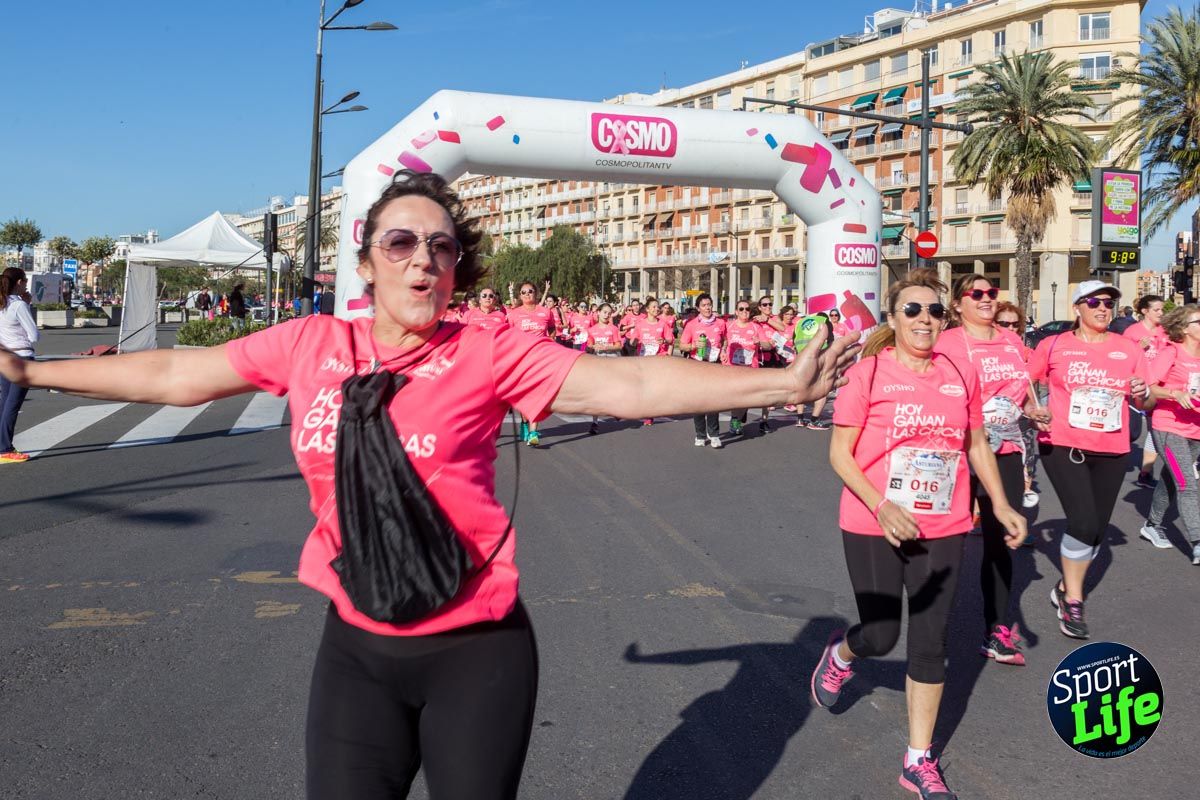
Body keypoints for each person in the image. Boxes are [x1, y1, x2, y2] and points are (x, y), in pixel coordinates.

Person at [0, 169, 858, 800]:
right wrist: (34, 377)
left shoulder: (487, 351)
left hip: (476, 656)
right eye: (401, 243)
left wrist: (783, 384)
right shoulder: (309, 346)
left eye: (441, 248)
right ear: (367, 262)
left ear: (457, 268)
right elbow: (181, 374)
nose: (423, 262)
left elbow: (623, 385)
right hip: (356, 651)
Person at [815, 268, 1026, 800]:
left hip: (944, 524)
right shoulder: (869, 374)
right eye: (913, 310)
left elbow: (977, 442)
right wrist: (883, 505)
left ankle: (917, 759)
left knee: (930, 644)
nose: (925, 319)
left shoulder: (958, 373)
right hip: (872, 520)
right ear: (893, 318)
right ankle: (842, 655)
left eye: (934, 311)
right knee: (882, 635)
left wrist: (1000, 503)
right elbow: (840, 454)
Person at [1028, 280, 1148, 639]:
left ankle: (1064, 587)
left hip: (1112, 448)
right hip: (1063, 443)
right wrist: (1034, 410)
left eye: (1110, 303)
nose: (1103, 308)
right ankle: (1074, 600)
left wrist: (1143, 394)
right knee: (1082, 522)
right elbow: (1027, 383)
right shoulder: (1054, 345)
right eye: (1094, 301)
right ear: (1077, 307)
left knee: (1095, 530)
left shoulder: (1127, 349)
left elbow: (1146, 401)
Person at [935, 274, 1035, 666]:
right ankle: (935, 630)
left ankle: (997, 629)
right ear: (959, 304)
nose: (987, 298)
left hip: (1004, 449)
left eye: (992, 292)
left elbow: (1021, 391)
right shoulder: (945, 344)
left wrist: (1032, 410)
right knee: (948, 543)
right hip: (956, 451)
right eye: (976, 293)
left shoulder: (1011, 342)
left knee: (999, 540)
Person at [1141, 304, 1200, 564]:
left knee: (1171, 480)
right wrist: (1175, 393)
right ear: (1184, 329)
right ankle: (1198, 541)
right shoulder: (1171, 353)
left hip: (1196, 429)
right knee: (1188, 483)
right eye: (1198, 321)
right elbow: (1150, 387)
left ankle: (1152, 524)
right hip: (1168, 426)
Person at [994, 300, 1041, 511]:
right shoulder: (983, 350)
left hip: (1022, 418)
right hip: (992, 420)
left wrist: (1035, 409)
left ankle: (1018, 515)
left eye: (1015, 324)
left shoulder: (1028, 352)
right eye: (1004, 324)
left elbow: (1039, 382)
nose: (1010, 328)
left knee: (1026, 463)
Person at [506, 281, 557, 446]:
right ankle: (524, 422)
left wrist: (550, 341)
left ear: (536, 293)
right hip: (521, 359)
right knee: (522, 396)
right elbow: (508, 335)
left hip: (540, 359)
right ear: (520, 295)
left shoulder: (545, 312)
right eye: (523, 292)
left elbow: (552, 329)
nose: (527, 294)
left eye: (530, 291)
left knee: (538, 395)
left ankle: (534, 431)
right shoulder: (514, 313)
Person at [1124, 294, 1167, 488]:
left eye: (1162, 309)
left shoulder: (1164, 332)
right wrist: (1137, 348)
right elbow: (1122, 358)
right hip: (1137, 387)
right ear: (1144, 311)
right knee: (1135, 432)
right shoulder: (1133, 332)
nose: (1161, 313)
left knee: (1155, 429)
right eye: (1157, 309)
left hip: (1159, 388)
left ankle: (1145, 473)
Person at [678, 292, 727, 447]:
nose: (707, 308)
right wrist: (693, 346)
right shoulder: (692, 324)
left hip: (714, 364)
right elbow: (682, 345)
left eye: (709, 304)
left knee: (714, 400)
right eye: (704, 305)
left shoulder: (720, 323)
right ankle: (700, 434)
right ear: (698, 308)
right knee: (698, 401)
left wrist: (724, 349)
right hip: (697, 364)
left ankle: (714, 434)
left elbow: (725, 339)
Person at [0, 268, 38, 464]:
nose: (26, 284)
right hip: (22, 358)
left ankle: (3, 444)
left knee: (4, 403)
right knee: (12, 405)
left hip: (4, 357)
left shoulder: (2, 302)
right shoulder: (18, 305)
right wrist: (27, 306)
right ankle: (4, 449)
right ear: (18, 283)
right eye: (24, 281)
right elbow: (33, 335)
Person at [723, 300, 773, 436]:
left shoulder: (756, 327)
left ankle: (738, 416)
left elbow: (768, 346)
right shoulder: (729, 326)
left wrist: (760, 342)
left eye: (747, 309)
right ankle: (736, 419)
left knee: (745, 398)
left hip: (750, 368)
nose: (745, 311)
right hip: (732, 367)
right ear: (736, 311)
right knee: (736, 397)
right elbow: (724, 341)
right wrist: (722, 351)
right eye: (741, 309)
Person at [627, 297, 675, 426]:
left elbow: (671, 340)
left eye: (657, 306)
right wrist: (634, 342)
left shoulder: (663, 324)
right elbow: (632, 341)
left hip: (658, 359)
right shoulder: (640, 324)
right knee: (645, 387)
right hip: (644, 360)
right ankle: (647, 412)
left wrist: (664, 341)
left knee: (655, 387)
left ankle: (651, 413)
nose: (656, 309)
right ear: (647, 309)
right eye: (653, 306)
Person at [585, 303, 623, 435]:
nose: (607, 315)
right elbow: (589, 346)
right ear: (598, 313)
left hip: (612, 361)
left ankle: (615, 409)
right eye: (604, 312)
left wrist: (607, 347)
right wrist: (592, 347)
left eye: (609, 313)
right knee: (597, 393)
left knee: (612, 389)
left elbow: (619, 346)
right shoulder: (592, 330)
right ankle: (595, 423)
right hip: (598, 363)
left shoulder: (613, 329)